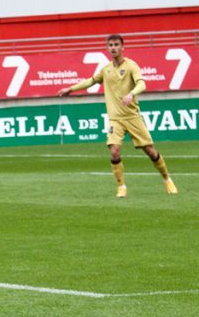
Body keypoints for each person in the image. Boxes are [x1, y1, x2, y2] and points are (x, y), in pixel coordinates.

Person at [57, 34, 177, 198]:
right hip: (115, 119)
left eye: (116, 45)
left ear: (122, 47)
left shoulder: (131, 66)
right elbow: (90, 81)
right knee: (114, 151)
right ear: (107, 48)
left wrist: (131, 93)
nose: (113, 48)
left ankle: (167, 179)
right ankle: (121, 187)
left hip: (132, 117)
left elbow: (142, 83)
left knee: (150, 151)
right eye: (110, 45)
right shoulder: (106, 69)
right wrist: (70, 89)